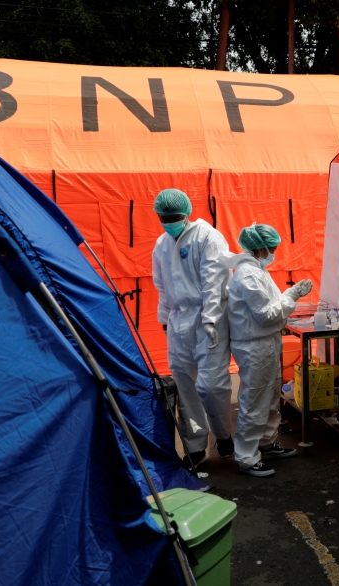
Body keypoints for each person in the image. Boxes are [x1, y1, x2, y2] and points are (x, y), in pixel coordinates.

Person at [151, 188, 234, 468]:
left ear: (186, 214)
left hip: (207, 319)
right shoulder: (161, 244)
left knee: (211, 385)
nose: (168, 221)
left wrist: (210, 318)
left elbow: (215, 281)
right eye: (164, 217)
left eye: (173, 216)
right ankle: (196, 446)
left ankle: (223, 435)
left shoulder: (208, 237)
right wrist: (165, 319)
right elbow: (161, 285)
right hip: (178, 321)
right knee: (185, 386)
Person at [228, 223, 312, 477]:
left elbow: (268, 308)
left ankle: (265, 442)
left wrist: (286, 299)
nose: (274, 252)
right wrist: (291, 296)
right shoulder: (248, 275)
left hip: (265, 341)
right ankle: (247, 456)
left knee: (270, 395)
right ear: (259, 248)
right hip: (255, 344)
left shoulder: (257, 271)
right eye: (272, 248)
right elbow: (265, 315)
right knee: (255, 400)